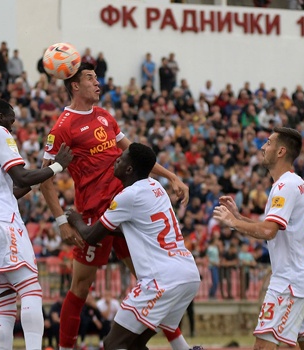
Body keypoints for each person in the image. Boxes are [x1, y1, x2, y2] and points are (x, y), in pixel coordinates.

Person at [39, 62, 191, 350]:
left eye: (97, 77)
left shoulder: (106, 116)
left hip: (125, 213)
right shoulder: (62, 127)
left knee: (154, 282)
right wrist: (61, 221)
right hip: (93, 215)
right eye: (90, 78)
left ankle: (179, 345)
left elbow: (136, 154)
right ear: (74, 85)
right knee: (81, 287)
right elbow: (45, 179)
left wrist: (172, 176)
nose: (97, 82)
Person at [0, 98, 73, 350]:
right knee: (30, 289)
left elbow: (9, 188)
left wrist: (38, 179)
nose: (13, 124)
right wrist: (58, 166)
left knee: (4, 301)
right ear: (0, 117)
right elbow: (20, 175)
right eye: (11, 119)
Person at [66, 143, 201, 350]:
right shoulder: (156, 187)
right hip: (188, 274)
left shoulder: (127, 196)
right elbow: (136, 230)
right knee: (135, 344)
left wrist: (74, 218)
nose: (116, 159)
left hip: (161, 280)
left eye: (121, 158)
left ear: (129, 169)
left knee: (112, 344)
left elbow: (91, 237)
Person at [213, 127, 304, 350]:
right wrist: (239, 217)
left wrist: (233, 222)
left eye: (268, 143)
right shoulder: (292, 183)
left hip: (290, 281)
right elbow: (271, 227)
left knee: (263, 346)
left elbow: (268, 232)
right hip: (301, 277)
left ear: (281, 151)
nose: (263, 147)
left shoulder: (285, 186)